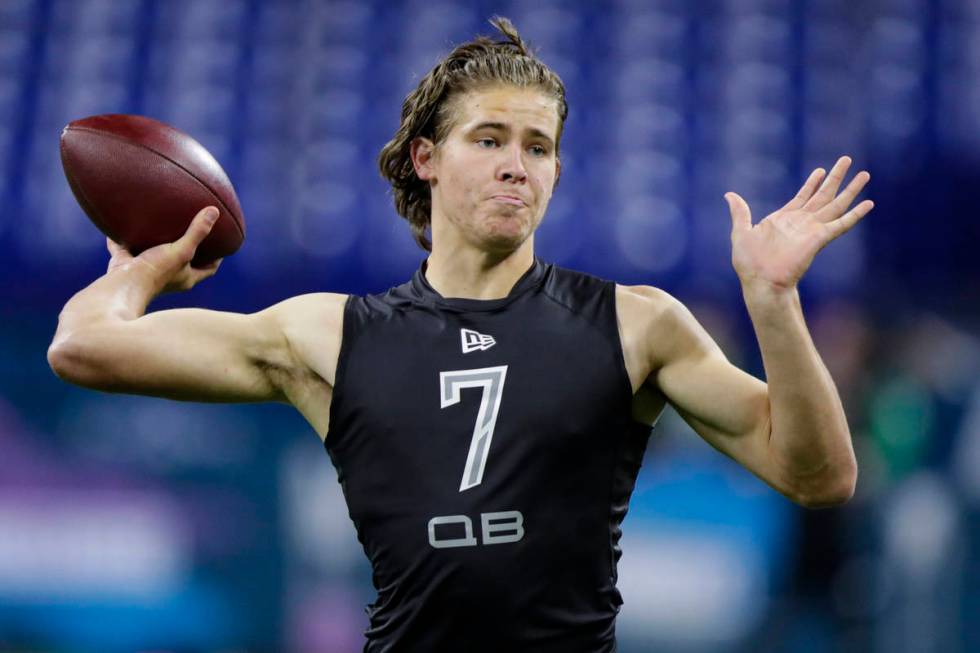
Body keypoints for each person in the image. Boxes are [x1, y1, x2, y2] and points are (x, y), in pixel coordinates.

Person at [47, 17, 873, 653]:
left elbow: (820, 474)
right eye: (489, 139)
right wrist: (149, 264)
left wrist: (772, 301)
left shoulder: (635, 322)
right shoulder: (327, 335)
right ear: (426, 158)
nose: (518, 164)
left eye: (539, 146)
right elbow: (83, 345)